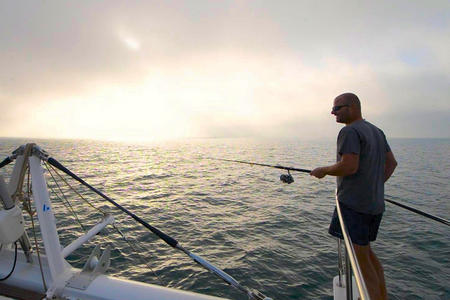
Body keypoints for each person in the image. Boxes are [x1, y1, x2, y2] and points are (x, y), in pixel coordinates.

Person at [310, 93, 397, 300]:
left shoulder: (349, 131)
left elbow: (349, 166)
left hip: (354, 206)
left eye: (337, 108)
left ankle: (372, 297)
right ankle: (381, 295)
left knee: (360, 261)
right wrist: (373, 185)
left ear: (352, 107)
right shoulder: (376, 131)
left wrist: (323, 170)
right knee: (366, 254)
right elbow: (392, 163)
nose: (333, 112)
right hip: (374, 205)